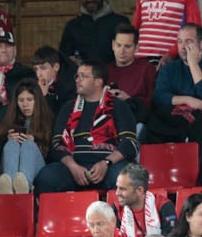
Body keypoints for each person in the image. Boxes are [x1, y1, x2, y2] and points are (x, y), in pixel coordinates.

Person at [36, 61, 140, 193]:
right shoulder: (68, 107)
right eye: (77, 76)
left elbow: (129, 143)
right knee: (46, 177)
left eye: (83, 76)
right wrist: (73, 166)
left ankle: (117, 213)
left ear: (98, 82)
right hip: (74, 166)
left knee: (125, 177)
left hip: (109, 166)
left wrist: (105, 163)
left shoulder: (119, 106)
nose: (77, 80)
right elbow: (57, 145)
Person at [146, 22, 202, 144]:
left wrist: (193, 63)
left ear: (201, 44)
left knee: (200, 125)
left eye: (188, 42)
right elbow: (159, 96)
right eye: (179, 41)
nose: (182, 47)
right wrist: (188, 100)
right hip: (174, 117)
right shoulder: (169, 68)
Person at [0, 79, 53, 195]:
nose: (25, 105)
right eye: (21, 100)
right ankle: (9, 186)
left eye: (30, 100)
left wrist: (36, 141)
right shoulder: (9, 121)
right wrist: (5, 140)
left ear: (37, 101)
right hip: (8, 170)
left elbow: (55, 154)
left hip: (39, 171)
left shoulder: (49, 120)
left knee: (28, 145)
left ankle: (24, 186)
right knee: (12, 144)